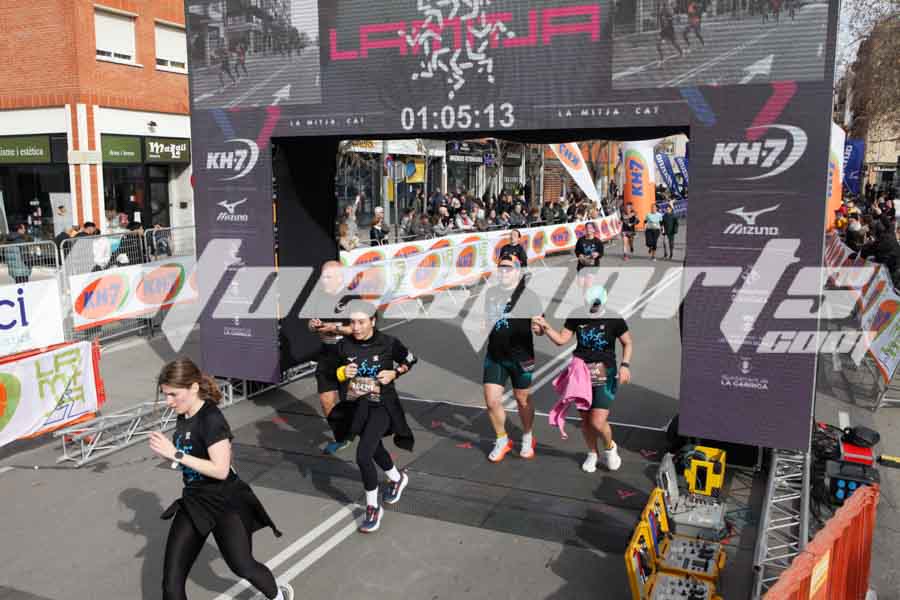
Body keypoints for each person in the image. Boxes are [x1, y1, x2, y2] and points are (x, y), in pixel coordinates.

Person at [150, 358, 293, 600]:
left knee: (242, 566)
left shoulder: (211, 419)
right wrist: (169, 455)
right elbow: (190, 459)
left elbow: (221, 470)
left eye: (173, 394)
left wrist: (176, 454)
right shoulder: (184, 415)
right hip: (195, 501)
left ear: (193, 388)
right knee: (171, 584)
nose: (168, 401)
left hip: (225, 502)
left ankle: (278, 595)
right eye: (166, 395)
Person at [332, 301, 417, 533]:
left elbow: (410, 359)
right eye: (352, 322)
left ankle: (372, 507)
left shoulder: (388, 343)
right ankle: (397, 478)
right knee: (374, 447)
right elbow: (330, 371)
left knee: (363, 455)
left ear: (373, 321)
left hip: (383, 406)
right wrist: (342, 372)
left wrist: (395, 372)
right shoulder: (344, 346)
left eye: (361, 322)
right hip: (357, 407)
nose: (356, 327)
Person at [534, 285, 632, 473]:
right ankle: (592, 453)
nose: (592, 308)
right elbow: (561, 340)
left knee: (597, 421)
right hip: (581, 372)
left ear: (603, 302)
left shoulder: (614, 319)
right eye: (589, 304)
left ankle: (610, 448)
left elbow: (627, 342)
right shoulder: (576, 315)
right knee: (585, 419)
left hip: (604, 372)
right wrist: (546, 327)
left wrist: (625, 365)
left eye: (596, 305)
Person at [482, 257, 543, 462]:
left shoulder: (530, 296)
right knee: (492, 401)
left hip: (521, 358)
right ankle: (502, 439)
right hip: (495, 355)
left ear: (517, 272)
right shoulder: (491, 293)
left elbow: (539, 327)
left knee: (522, 399)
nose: (503, 272)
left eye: (508, 269)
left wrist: (538, 328)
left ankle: (527, 436)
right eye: (501, 268)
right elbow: (488, 319)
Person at [307, 261, 354, 455]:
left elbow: (360, 329)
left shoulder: (352, 299)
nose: (322, 280)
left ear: (339, 278)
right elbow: (310, 325)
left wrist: (335, 328)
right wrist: (313, 325)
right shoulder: (318, 298)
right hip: (327, 356)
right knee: (326, 400)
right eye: (322, 276)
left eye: (327, 277)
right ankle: (341, 438)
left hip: (349, 356)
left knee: (352, 401)